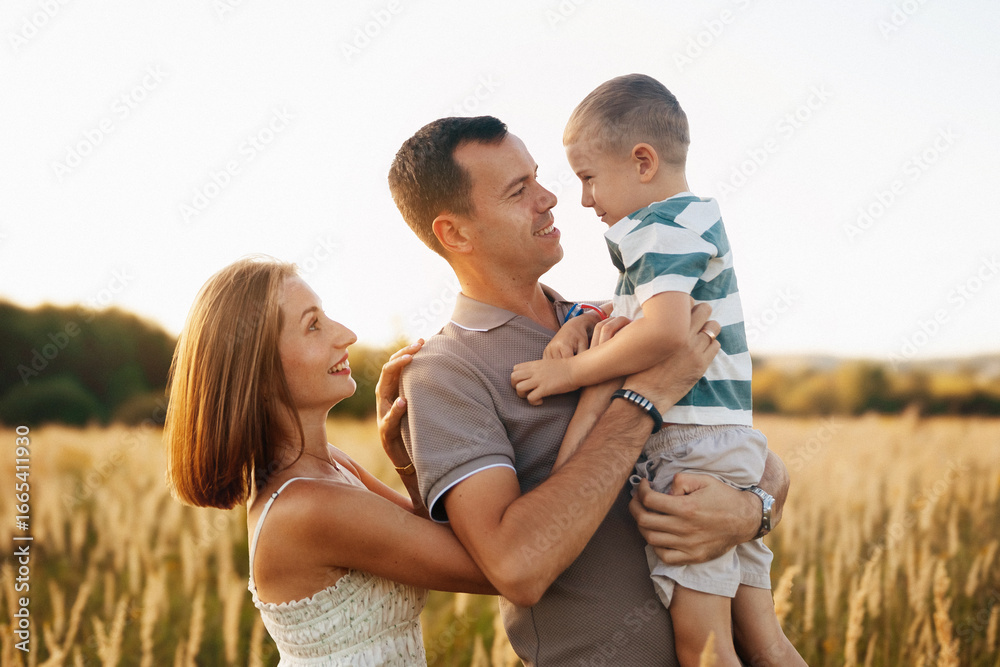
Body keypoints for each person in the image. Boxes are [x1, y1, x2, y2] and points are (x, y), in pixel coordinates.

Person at [386, 115, 791, 666]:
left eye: (537, 177)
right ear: (455, 233)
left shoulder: (620, 321)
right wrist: (642, 401)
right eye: (519, 190)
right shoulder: (444, 373)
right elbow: (518, 568)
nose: (551, 198)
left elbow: (746, 451)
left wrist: (750, 511)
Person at [508, 74, 805, 666]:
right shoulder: (689, 221)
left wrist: (572, 373)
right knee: (765, 642)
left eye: (588, 177)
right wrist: (586, 319)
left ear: (642, 162)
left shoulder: (655, 230)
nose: (584, 200)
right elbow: (640, 310)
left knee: (704, 646)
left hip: (687, 453)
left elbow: (665, 330)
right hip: (726, 448)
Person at [162, 256, 497, 666]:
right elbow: (498, 567)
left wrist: (402, 456)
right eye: (313, 325)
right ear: (260, 373)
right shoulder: (309, 507)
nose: (347, 335)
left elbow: (442, 535)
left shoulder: (331, 466)